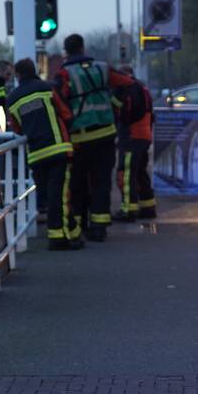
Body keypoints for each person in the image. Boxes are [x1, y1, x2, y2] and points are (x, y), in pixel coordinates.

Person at [53, 34, 134, 242]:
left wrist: (69, 121)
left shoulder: (64, 74)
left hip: (79, 138)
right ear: (83, 48)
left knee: (77, 182)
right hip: (106, 134)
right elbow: (127, 83)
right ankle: (99, 227)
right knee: (101, 181)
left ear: (66, 51)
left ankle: (79, 226)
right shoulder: (102, 68)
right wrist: (114, 106)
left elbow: (58, 101)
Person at [6, 58, 80, 250]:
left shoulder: (12, 98)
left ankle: (73, 232)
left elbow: (17, 128)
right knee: (60, 195)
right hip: (58, 149)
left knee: (50, 196)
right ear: (35, 70)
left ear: (18, 75)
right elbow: (66, 114)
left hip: (36, 154)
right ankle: (58, 237)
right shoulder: (47, 88)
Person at [113, 65, 156, 220]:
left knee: (127, 172)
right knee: (140, 171)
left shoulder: (130, 89)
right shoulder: (142, 88)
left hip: (133, 137)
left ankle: (128, 209)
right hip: (143, 136)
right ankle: (148, 207)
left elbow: (126, 114)